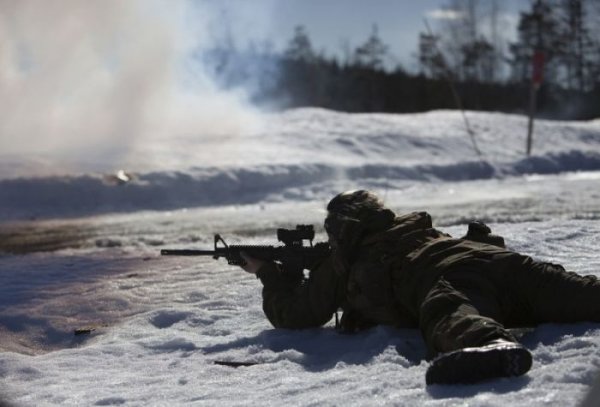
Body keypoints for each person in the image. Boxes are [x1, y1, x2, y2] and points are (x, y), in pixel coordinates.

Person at [239, 190, 600, 385]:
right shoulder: (412, 227)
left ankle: (491, 346)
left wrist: (268, 274)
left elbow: (296, 314)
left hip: (451, 280)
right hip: (499, 261)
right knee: (581, 293)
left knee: (448, 312)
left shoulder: (346, 259)